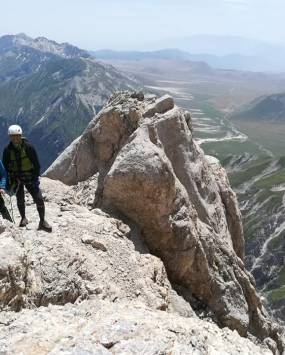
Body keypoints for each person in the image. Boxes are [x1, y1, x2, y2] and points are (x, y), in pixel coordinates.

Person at [3, 125, 52, 232]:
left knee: (38, 198)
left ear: (21, 136)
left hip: (29, 176)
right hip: (16, 177)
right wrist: (8, 182)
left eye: (17, 136)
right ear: (10, 137)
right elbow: (5, 167)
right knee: (20, 198)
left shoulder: (28, 147)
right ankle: (23, 218)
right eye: (13, 136)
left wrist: (35, 177)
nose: (15, 138)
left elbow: (36, 163)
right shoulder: (7, 150)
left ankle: (42, 221)